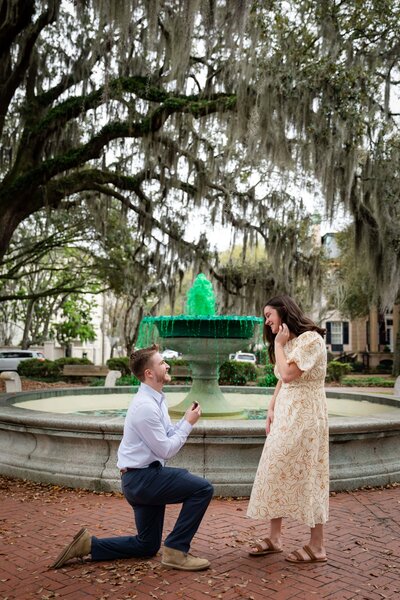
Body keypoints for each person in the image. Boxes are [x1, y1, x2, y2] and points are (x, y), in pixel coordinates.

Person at [51, 344, 213, 571]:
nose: (167, 366)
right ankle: (176, 551)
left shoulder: (156, 399)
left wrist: (184, 419)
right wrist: (188, 424)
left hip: (141, 478)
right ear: (149, 373)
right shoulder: (145, 406)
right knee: (202, 489)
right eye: (161, 363)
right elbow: (165, 450)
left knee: (146, 545)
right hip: (143, 479)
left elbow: (165, 435)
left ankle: (89, 545)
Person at [247, 295, 329, 564]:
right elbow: (282, 381)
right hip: (286, 413)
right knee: (276, 468)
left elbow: (289, 374)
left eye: (269, 315)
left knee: (310, 474)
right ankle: (275, 537)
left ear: (284, 313)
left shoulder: (310, 340)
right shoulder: (289, 342)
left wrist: (280, 345)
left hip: (307, 416)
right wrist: (271, 406)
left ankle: (317, 546)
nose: (266, 320)